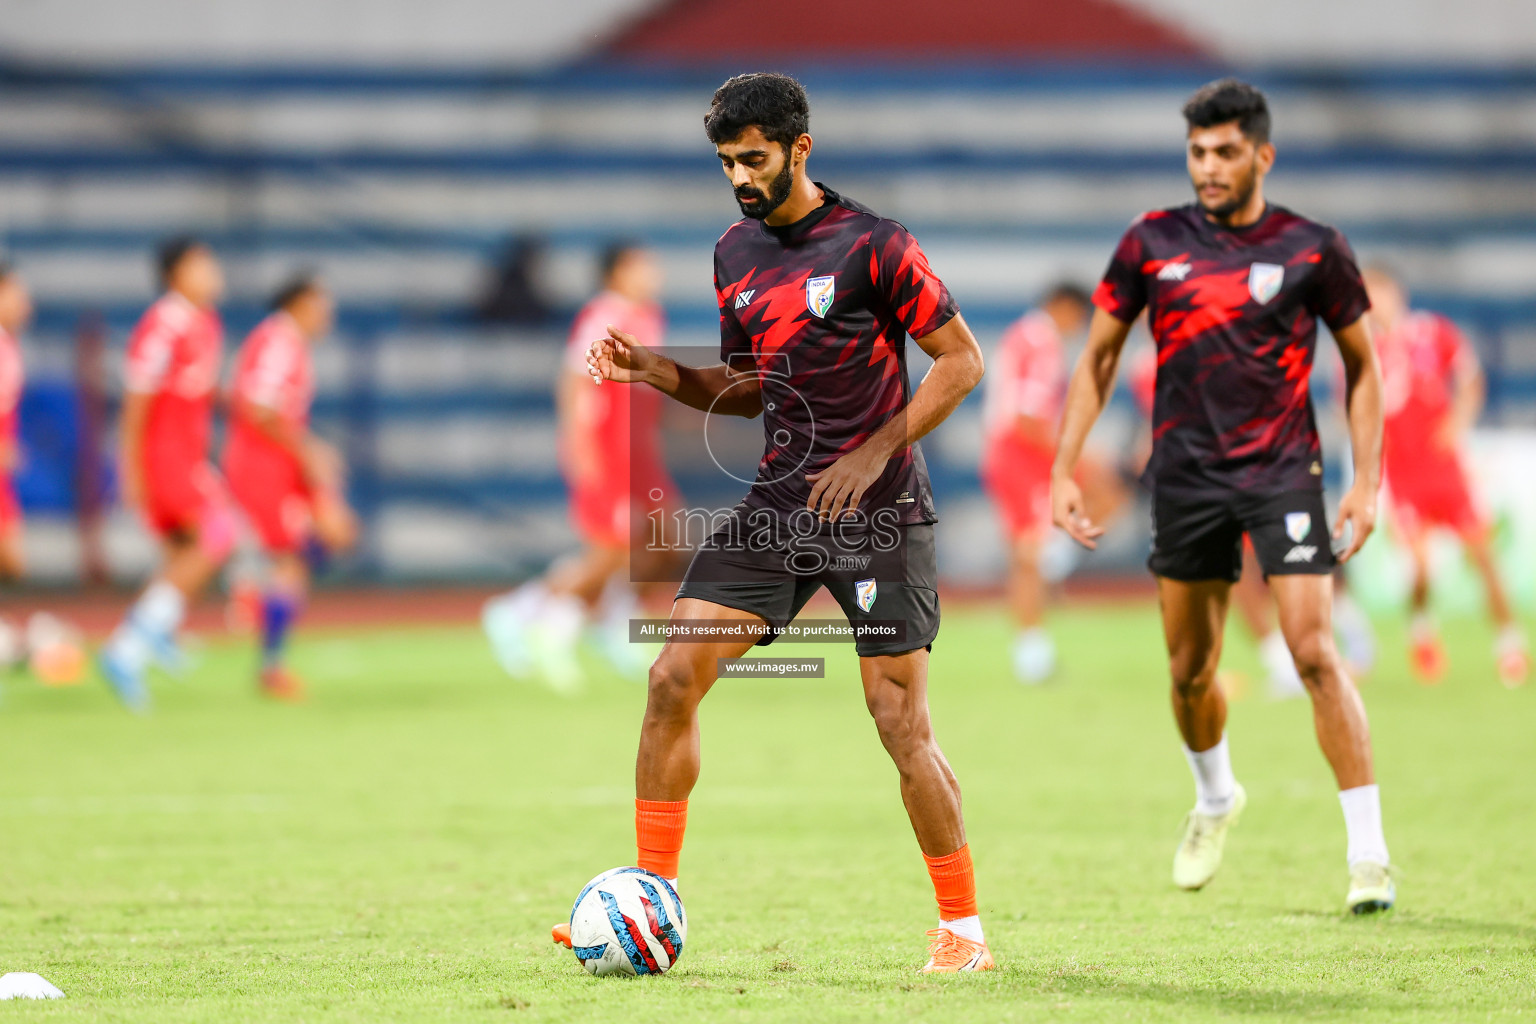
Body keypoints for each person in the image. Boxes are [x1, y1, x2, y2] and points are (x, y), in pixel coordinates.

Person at [555, 73, 994, 971]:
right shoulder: (734, 254)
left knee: (897, 719)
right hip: (780, 505)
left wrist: (873, 452)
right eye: (725, 163)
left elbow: (960, 363)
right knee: (673, 675)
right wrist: (657, 370)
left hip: (878, 511)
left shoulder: (878, 246)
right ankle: (648, 905)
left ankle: (963, 931)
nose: (739, 178)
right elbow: (749, 386)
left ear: (799, 148)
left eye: (752, 159)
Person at [1051, 79, 1396, 913]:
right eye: (1198, 151)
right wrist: (1065, 466)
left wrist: (1365, 481)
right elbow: (1098, 358)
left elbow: (1363, 369)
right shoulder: (1150, 241)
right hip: (1185, 478)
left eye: (1226, 151)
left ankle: (1369, 855)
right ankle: (1214, 797)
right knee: (1189, 670)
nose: (1209, 166)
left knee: (1314, 651)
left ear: (1261, 156)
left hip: (1283, 472)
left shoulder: (1314, 248)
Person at [482, 242, 676, 692]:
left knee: (666, 538)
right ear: (617, 272)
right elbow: (573, 379)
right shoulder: (602, 315)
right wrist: (577, 441)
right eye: (642, 265)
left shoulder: (650, 316)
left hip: (639, 450)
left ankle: (610, 618)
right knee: (610, 548)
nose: (653, 273)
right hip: (607, 445)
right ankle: (542, 624)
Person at [1363, 265, 1528, 687]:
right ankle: (1421, 631)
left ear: (1397, 293)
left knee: (1483, 556)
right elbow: (1352, 407)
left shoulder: (1433, 331)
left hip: (1446, 470)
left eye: (1380, 292)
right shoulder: (1362, 349)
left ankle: (1509, 645)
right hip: (1404, 475)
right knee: (1419, 569)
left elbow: (1471, 378)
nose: (1376, 302)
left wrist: (1459, 420)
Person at [99, 238, 235, 711]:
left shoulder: (206, 324)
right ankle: (130, 645)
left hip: (189, 455)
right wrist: (129, 467)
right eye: (203, 264)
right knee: (218, 536)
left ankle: (155, 631)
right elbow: (137, 402)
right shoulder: (163, 326)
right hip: (167, 458)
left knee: (182, 549)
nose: (214, 272)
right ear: (176, 274)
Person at [223, 274, 357, 701]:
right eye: (323, 303)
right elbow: (259, 409)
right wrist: (309, 450)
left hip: (282, 465)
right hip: (266, 467)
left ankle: (254, 595)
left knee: (330, 537)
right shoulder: (279, 342)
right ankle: (254, 609)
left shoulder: (283, 342)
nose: (328, 314)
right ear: (300, 302)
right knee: (291, 559)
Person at [979, 282, 1092, 683]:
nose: (1078, 327)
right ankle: (1032, 656)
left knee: (1024, 554)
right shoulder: (1041, 341)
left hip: (1004, 448)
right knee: (1031, 554)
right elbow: (1030, 416)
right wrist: (1067, 458)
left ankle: (1032, 650)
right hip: (1021, 452)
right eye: (1079, 317)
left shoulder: (1022, 335)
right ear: (1063, 306)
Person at [0, 265, 87, 685]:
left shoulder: (9, 347)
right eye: (16, 294)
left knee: (13, 560)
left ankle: (11, 639)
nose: (25, 304)